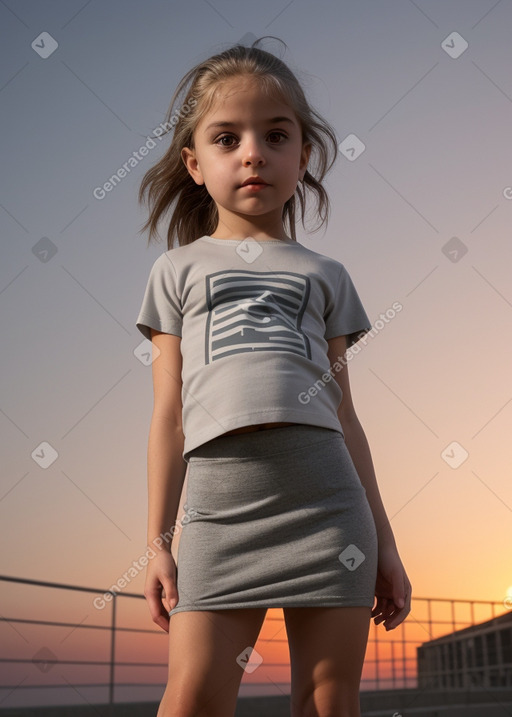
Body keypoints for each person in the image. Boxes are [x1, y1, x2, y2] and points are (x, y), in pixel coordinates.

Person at [135, 36, 412, 717]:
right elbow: (169, 413)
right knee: (193, 699)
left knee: (328, 702)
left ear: (303, 156)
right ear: (195, 164)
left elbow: (346, 414)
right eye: (227, 138)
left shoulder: (327, 275)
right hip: (219, 511)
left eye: (275, 134)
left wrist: (386, 542)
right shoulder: (175, 271)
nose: (253, 152)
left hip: (328, 507)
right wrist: (157, 541)